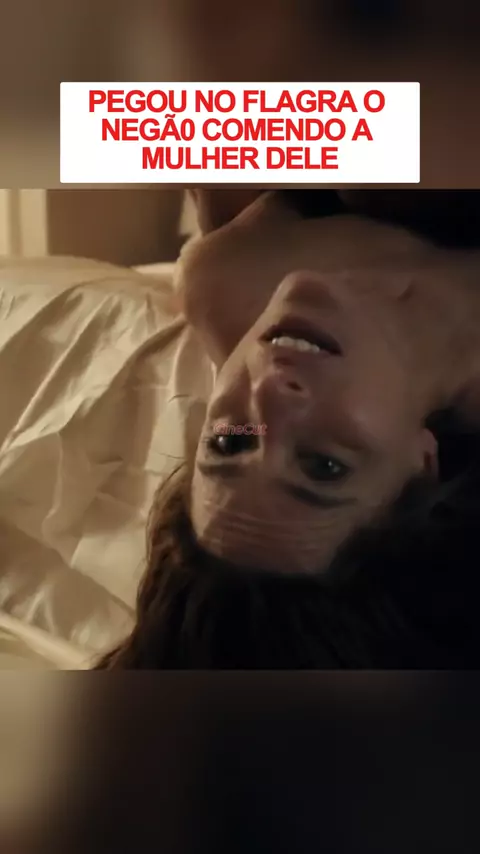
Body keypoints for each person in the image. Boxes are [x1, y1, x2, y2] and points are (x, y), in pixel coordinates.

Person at [96, 189, 480, 669]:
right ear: (423, 469)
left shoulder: (228, 282)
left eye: (230, 442)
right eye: (323, 466)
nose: (269, 394)